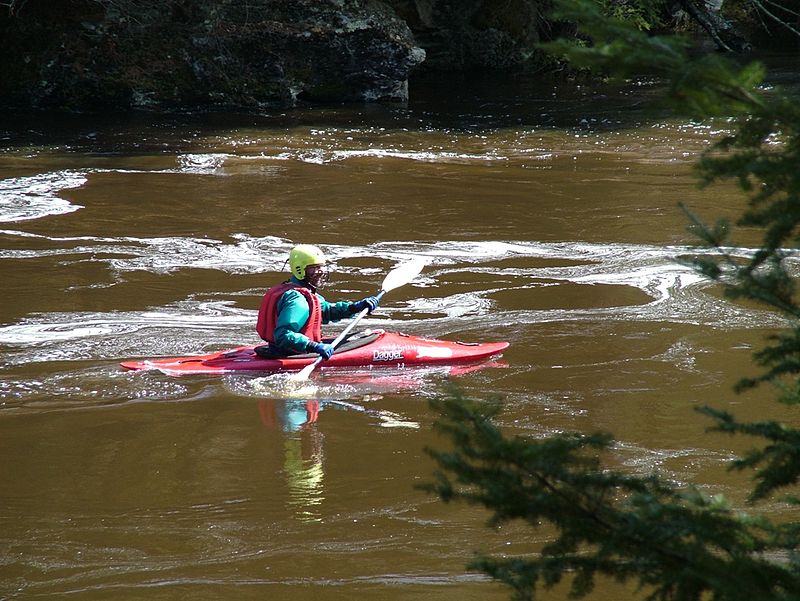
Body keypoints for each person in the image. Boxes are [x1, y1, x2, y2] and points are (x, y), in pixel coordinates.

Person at [256, 244, 380, 359]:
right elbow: (283, 335)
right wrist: (314, 346)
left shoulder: (298, 291)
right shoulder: (298, 300)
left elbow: (326, 312)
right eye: (314, 268)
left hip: (280, 349)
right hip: (292, 352)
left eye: (321, 266)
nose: (320, 272)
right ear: (300, 270)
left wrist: (356, 307)